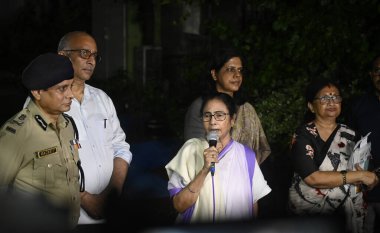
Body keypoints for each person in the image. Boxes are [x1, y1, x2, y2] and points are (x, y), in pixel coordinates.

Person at [24, 31, 133, 226]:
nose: (91, 61)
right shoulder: (43, 101)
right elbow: (38, 162)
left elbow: (120, 147)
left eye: (94, 55)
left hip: (110, 213)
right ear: (63, 56)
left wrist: (112, 193)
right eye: (84, 53)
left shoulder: (102, 99)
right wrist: (84, 198)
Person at [0, 53, 81, 230]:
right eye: (62, 89)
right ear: (37, 92)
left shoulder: (67, 125)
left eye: (71, 87)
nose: (71, 95)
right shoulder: (18, 133)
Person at [288, 79, 379, 233]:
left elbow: (366, 175)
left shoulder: (352, 135)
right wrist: (358, 175)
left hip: (347, 214)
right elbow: (313, 178)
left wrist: (370, 179)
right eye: (325, 98)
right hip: (310, 216)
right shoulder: (303, 135)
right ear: (311, 106)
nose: (331, 102)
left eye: (336, 97)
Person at [166, 92, 271, 223]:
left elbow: (253, 204)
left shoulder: (246, 156)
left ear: (232, 120)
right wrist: (204, 170)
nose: (212, 121)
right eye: (207, 115)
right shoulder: (190, 150)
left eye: (219, 115)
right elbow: (179, 205)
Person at [183, 48, 271, 165]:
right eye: (230, 69)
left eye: (240, 70)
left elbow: (260, 150)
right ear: (214, 74)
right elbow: (193, 150)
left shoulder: (246, 108)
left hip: (244, 176)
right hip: (209, 174)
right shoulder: (201, 106)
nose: (237, 75)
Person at [346, 55, 380, 233]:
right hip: (367, 196)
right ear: (371, 74)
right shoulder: (359, 106)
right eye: (377, 71)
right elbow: (349, 146)